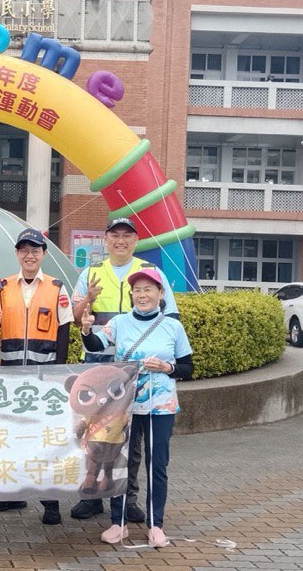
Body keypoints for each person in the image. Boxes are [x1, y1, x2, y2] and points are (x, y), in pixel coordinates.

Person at [68, 218, 179, 521]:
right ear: (105, 240)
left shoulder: (150, 272)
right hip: (97, 364)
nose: (120, 240)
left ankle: (128, 498)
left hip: (134, 370)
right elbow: (75, 318)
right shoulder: (90, 272)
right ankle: (92, 497)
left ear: (135, 240)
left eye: (126, 235)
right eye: (114, 235)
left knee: (130, 437)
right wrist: (88, 300)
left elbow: (171, 319)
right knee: (95, 433)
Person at [80, 267, 193, 549]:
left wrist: (167, 367)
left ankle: (156, 525)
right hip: (124, 407)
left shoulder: (173, 327)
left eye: (148, 290)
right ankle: (118, 523)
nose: (142, 295)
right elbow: (95, 344)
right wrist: (86, 329)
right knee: (120, 463)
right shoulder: (120, 323)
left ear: (160, 294)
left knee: (157, 464)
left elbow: (188, 367)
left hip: (160, 407)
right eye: (137, 290)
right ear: (132, 295)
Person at [0, 228, 74, 525]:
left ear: (44, 254)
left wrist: (58, 372)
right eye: (24, 250)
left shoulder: (57, 287)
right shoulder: (3, 287)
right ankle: (14, 494)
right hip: (11, 376)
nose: (30, 255)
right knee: (13, 436)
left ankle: (51, 502)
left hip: (43, 378)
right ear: (17, 254)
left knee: (45, 439)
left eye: (35, 250)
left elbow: (64, 330)